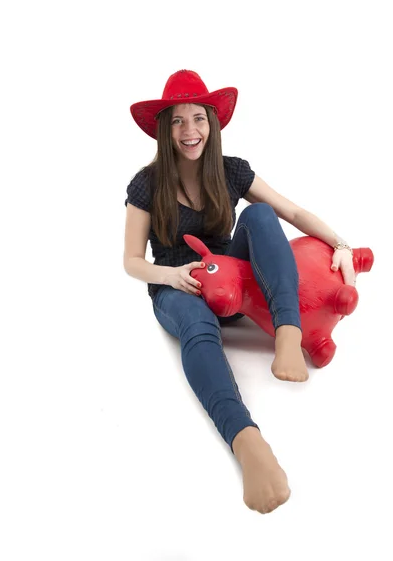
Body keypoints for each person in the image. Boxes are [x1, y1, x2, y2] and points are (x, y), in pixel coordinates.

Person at [123, 69, 356, 514]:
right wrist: (170, 278)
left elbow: (290, 210)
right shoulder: (147, 185)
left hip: (234, 281)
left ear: (212, 124)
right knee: (195, 325)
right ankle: (247, 442)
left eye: (198, 119)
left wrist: (341, 244)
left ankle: (287, 334)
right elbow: (131, 261)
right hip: (182, 286)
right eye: (177, 121)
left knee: (264, 214)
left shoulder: (231, 171)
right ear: (164, 130)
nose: (189, 131)